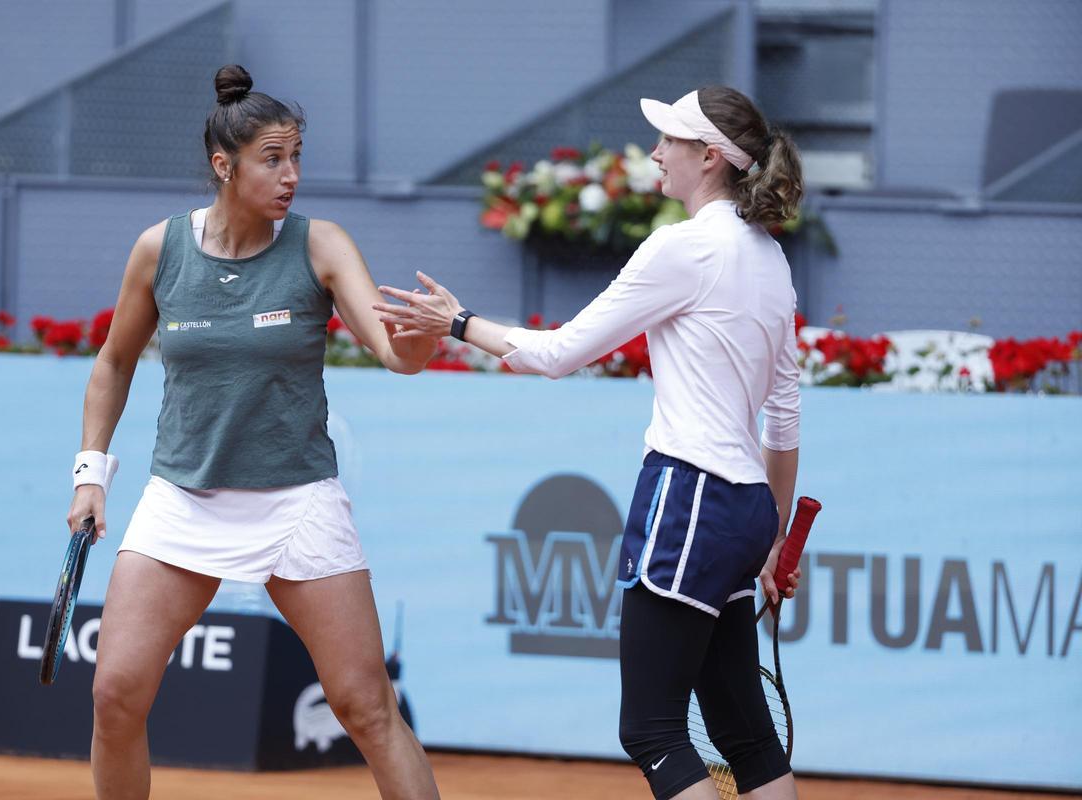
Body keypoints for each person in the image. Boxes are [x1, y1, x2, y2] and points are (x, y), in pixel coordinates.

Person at [374, 86, 805, 800]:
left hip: (690, 497)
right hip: (746, 508)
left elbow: (558, 353)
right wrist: (774, 535)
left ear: (709, 157)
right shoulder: (770, 257)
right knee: (746, 736)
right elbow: (783, 417)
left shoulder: (686, 246)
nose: (657, 152)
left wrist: (458, 322)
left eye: (670, 139)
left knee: (653, 729)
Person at [67, 64, 441, 800]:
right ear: (223, 165)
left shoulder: (321, 244)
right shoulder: (159, 248)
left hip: (297, 501)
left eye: (297, 156)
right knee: (114, 696)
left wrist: (423, 338)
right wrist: (89, 474)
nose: (292, 174)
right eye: (274, 159)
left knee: (367, 708)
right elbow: (113, 363)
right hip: (183, 498)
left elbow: (395, 353)